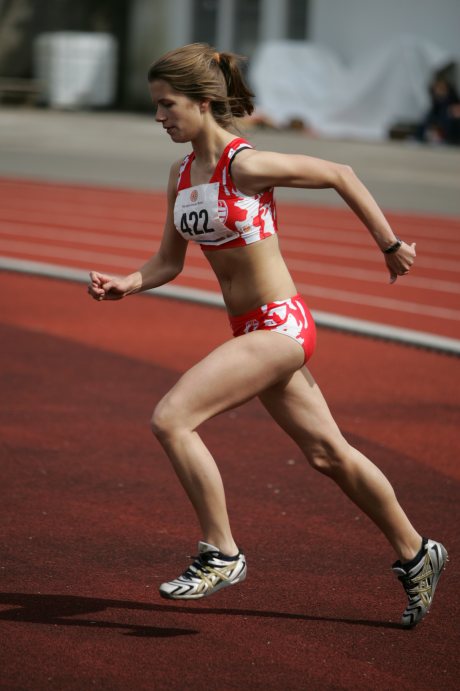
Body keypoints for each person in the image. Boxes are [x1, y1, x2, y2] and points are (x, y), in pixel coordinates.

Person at [87, 43, 447, 627]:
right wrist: (129, 282)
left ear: (203, 103)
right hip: (250, 329)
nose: (159, 116)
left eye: (167, 104)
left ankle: (221, 552)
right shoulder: (180, 174)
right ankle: (417, 551)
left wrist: (389, 244)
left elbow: (340, 173)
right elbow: (169, 261)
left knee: (172, 419)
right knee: (329, 454)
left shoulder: (244, 165)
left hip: (281, 325)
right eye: (156, 105)